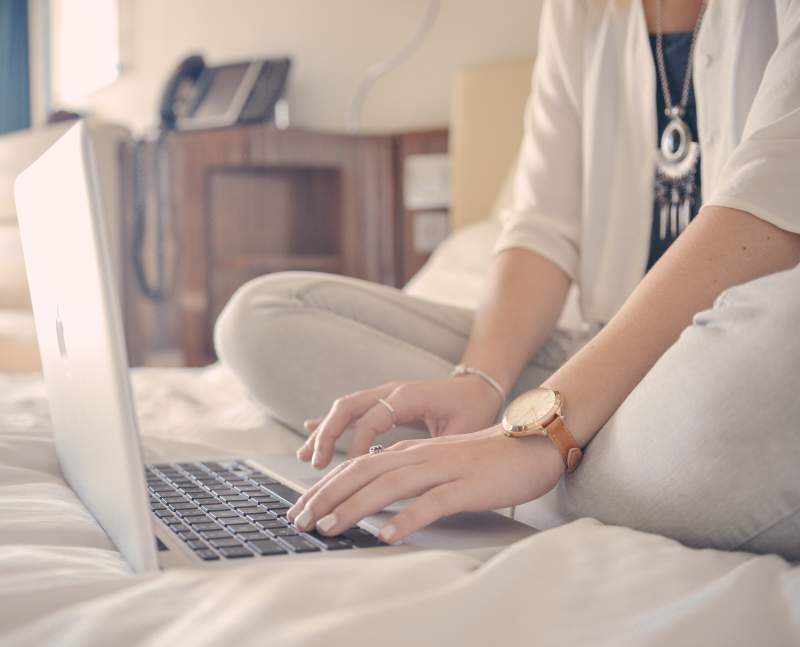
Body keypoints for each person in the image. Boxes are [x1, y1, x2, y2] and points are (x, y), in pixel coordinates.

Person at [215, 0, 800, 558]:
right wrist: (483, 381)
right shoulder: (581, 9)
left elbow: (771, 202)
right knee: (265, 317)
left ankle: (526, 463)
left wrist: (544, 431)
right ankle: (543, 465)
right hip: (594, 356)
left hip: (727, 359)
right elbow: (542, 224)